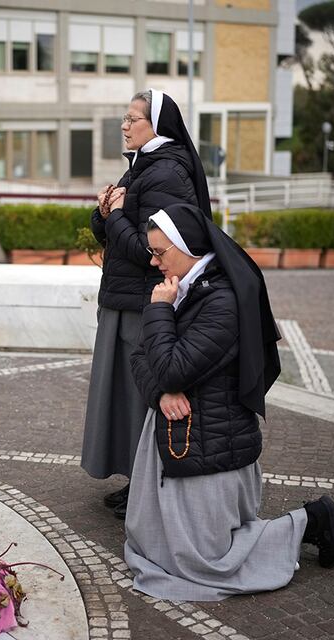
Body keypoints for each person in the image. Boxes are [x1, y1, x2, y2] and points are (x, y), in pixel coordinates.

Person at [121, 202, 334, 601]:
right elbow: (140, 358)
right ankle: (306, 525)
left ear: (188, 246)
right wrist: (160, 392)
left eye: (160, 252)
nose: (153, 261)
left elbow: (172, 369)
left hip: (210, 444)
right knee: (154, 544)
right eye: (152, 251)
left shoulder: (221, 302)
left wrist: (159, 311)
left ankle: (310, 522)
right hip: (179, 435)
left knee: (206, 562)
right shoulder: (181, 288)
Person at [82, 89, 212, 519]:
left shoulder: (165, 174)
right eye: (124, 117)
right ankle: (138, 480)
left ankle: (151, 485)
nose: (124, 124)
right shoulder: (143, 168)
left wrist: (117, 217)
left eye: (132, 118)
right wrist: (105, 214)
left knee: (143, 395)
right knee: (126, 396)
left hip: (143, 303)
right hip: (126, 299)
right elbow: (117, 235)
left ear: (156, 125)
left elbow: (149, 250)